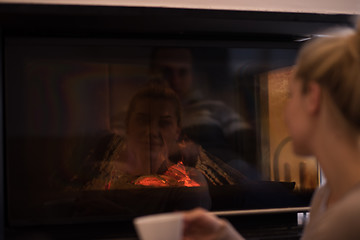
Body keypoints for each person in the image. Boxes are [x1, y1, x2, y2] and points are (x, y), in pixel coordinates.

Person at [182, 21, 360, 239]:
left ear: (313, 98)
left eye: (290, 95)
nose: (285, 113)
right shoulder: (326, 195)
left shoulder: (350, 216)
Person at [149, 47, 258, 176]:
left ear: (192, 75)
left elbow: (251, 147)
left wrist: (202, 154)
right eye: (167, 72)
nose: (175, 80)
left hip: (226, 180)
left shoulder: (215, 109)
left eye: (182, 72)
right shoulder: (138, 115)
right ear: (153, 73)